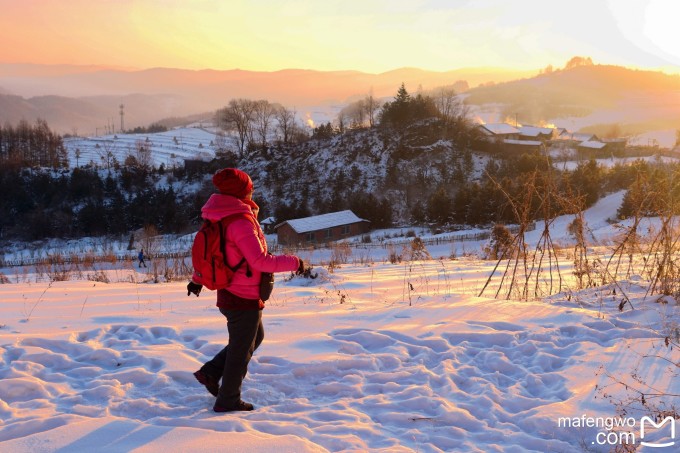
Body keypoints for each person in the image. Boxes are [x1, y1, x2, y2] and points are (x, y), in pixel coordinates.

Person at [187, 168, 304, 412]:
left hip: (231, 292)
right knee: (240, 351)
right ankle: (227, 400)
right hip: (243, 296)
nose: (252, 190)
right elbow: (260, 261)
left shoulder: (220, 216)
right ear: (242, 191)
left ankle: (211, 372)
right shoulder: (240, 221)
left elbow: (212, 251)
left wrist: (197, 279)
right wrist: (295, 262)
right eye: (249, 187)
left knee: (254, 338)